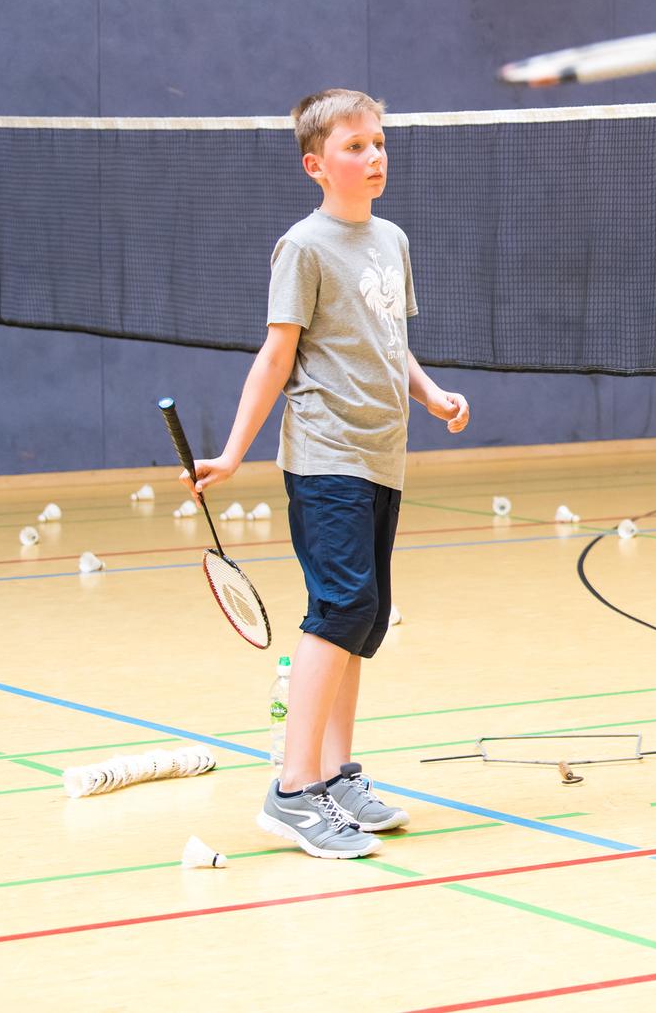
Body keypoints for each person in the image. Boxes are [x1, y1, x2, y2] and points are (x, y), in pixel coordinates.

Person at [180, 89, 470, 858]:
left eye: (378, 143)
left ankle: (336, 776)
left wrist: (431, 394)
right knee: (341, 608)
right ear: (315, 165)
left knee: (364, 619)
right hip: (325, 453)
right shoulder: (303, 248)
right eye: (354, 147)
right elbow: (276, 355)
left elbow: (385, 340)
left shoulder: (391, 240)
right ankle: (291, 791)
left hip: (383, 454)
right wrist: (233, 452)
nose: (373, 157)